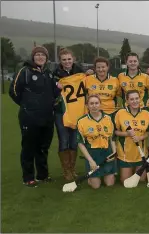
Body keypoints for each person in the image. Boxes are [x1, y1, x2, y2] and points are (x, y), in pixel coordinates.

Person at [9, 46, 58, 187]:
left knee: (43, 148)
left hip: (47, 117)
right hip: (29, 117)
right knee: (28, 147)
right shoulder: (24, 71)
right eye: (37, 55)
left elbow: (55, 92)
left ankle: (42, 175)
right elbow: (13, 91)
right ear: (33, 57)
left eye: (43, 55)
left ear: (47, 58)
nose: (40, 57)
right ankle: (28, 177)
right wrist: (26, 105)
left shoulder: (48, 73)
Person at [53, 48, 91, 181]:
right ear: (60, 61)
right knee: (64, 140)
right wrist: (55, 87)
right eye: (64, 59)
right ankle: (66, 170)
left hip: (77, 112)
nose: (67, 62)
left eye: (69, 59)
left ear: (73, 59)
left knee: (74, 141)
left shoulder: (81, 72)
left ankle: (72, 168)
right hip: (62, 112)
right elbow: (51, 92)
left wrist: (89, 74)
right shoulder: (55, 74)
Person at [77, 95, 117, 189]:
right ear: (87, 105)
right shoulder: (81, 121)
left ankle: (109, 174)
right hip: (93, 154)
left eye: (96, 103)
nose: (94, 106)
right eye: (91, 103)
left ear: (100, 105)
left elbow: (112, 138)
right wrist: (91, 161)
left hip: (107, 153)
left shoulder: (108, 118)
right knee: (96, 186)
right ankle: (91, 178)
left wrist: (114, 153)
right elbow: (80, 143)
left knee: (109, 184)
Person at [113, 90, 149, 183]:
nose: (135, 101)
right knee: (125, 181)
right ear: (127, 101)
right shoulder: (120, 113)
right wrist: (126, 134)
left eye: (137, 98)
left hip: (141, 153)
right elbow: (114, 132)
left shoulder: (146, 113)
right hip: (125, 154)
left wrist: (141, 138)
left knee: (141, 181)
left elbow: (148, 131)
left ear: (140, 99)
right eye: (132, 99)